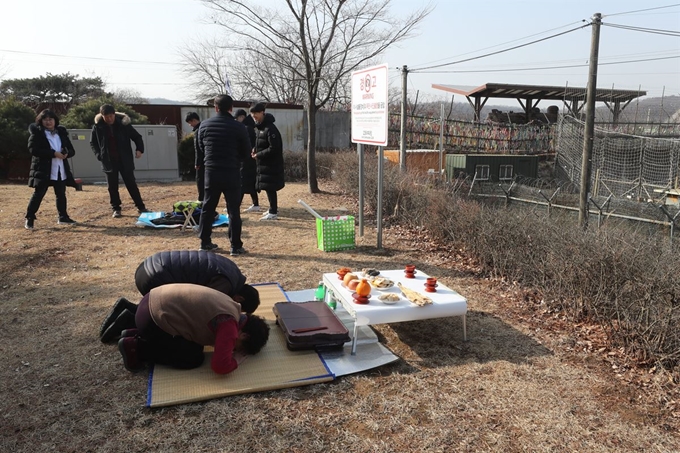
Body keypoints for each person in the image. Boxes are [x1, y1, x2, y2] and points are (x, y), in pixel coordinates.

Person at [117, 283, 270, 374]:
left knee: (193, 344)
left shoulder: (232, 306)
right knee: (193, 357)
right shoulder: (229, 326)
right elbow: (219, 366)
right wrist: (236, 360)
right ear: (244, 336)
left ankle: (135, 333)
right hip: (152, 318)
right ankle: (136, 348)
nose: (234, 350)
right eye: (239, 348)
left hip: (151, 300)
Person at [197, 95, 251, 254]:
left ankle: (205, 242)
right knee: (233, 210)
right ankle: (235, 246)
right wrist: (237, 160)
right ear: (231, 108)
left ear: (215, 108)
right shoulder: (239, 127)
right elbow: (246, 152)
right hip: (231, 171)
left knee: (208, 207)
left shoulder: (204, 125)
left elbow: (201, 147)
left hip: (211, 171)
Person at [133, 250, 260, 313]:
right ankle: (128, 320)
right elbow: (198, 308)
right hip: (153, 278)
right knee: (171, 316)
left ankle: (127, 309)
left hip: (149, 264)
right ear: (239, 299)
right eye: (238, 308)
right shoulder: (224, 286)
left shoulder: (233, 272)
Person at [90, 104, 150, 218]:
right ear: (102, 116)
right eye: (106, 116)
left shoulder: (124, 124)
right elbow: (92, 143)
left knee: (131, 184)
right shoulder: (98, 127)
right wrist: (99, 155)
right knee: (112, 187)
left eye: (111, 116)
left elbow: (137, 137)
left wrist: (139, 149)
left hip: (125, 159)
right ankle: (116, 209)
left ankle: (141, 207)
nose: (109, 119)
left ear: (114, 114)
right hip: (108, 161)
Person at [24, 109, 78, 229]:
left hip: (60, 168)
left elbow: (72, 150)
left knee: (61, 194)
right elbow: (33, 149)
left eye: (50, 119)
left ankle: (63, 217)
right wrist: (53, 153)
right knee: (39, 194)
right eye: (45, 119)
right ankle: (30, 218)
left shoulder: (61, 133)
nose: (48, 122)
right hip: (43, 169)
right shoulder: (37, 133)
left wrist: (66, 153)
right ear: (41, 121)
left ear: (55, 121)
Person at [249, 102, 285, 221]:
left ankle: (273, 212)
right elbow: (260, 143)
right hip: (264, 164)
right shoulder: (260, 128)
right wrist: (255, 149)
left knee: (270, 188)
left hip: (271, 164)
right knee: (268, 188)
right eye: (252, 113)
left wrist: (259, 155)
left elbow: (274, 148)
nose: (254, 116)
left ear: (262, 112)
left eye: (256, 113)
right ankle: (271, 209)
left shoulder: (270, 129)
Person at [234, 108, 260, 213]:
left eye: (237, 118)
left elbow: (245, 145)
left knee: (242, 183)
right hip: (249, 159)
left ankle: (236, 206)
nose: (236, 121)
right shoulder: (248, 127)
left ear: (242, 117)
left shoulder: (246, 128)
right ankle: (255, 204)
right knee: (250, 183)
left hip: (247, 160)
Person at [184, 112, 204, 202]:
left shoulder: (197, 131)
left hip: (202, 161)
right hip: (208, 159)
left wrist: (197, 162)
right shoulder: (204, 127)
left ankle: (201, 199)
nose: (189, 125)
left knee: (200, 180)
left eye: (190, 122)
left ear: (194, 120)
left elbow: (198, 148)